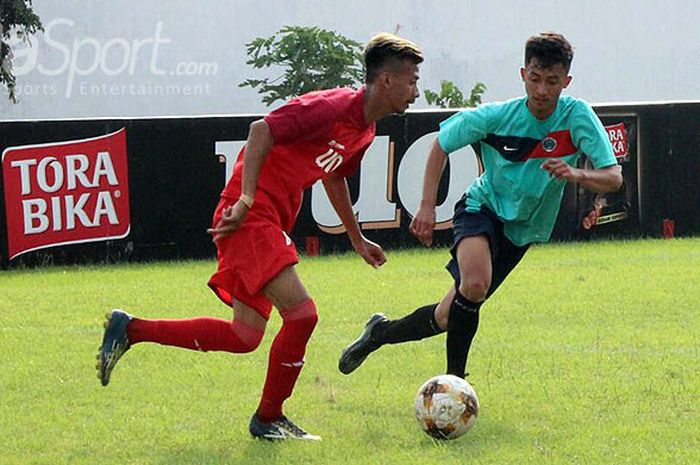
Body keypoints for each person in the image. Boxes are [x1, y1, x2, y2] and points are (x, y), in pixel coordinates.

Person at [97, 32, 423, 441]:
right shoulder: (334, 106)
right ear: (387, 80)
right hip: (250, 216)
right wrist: (248, 198)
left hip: (267, 219)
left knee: (244, 336)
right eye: (411, 79)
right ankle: (269, 418)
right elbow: (261, 130)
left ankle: (131, 329)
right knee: (303, 315)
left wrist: (356, 237)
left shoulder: (366, 131)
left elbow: (335, 176)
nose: (416, 90)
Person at [338, 32, 622, 381]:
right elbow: (441, 144)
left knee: (446, 316)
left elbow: (613, 177)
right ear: (523, 75)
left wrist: (577, 173)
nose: (543, 90)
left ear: (567, 80)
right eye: (535, 79)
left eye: (552, 81)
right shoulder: (497, 116)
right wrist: (427, 207)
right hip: (481, 208)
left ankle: (379, 333)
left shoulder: (577, 116)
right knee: (474, 286)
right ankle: (453, 385)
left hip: (522, 231)